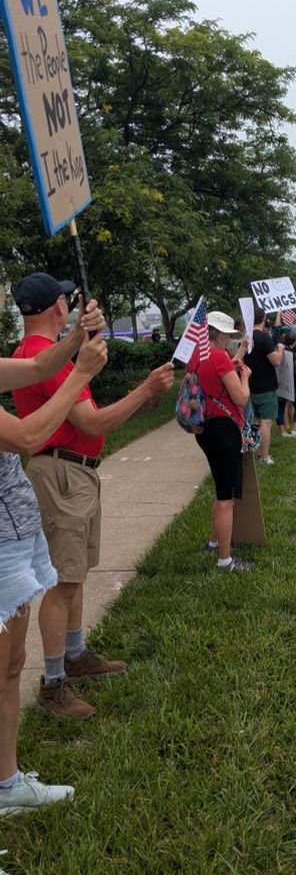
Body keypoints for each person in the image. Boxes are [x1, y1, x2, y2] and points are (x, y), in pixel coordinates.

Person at [11, 272, 174, 720]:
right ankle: (53, 683)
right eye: (66, 301)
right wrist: (145, 390)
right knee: (62, 583)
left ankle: (76, 654)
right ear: (58, 307)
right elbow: (92, 422)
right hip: (62, 474)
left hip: (71, 472)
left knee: (74, 575)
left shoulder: (37, 353)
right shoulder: (46, 358)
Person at [0, 296, 107, 818]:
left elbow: (40, 364)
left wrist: (77, 337)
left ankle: (7, 784)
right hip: (2, 548)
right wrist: (80, 372)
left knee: (11, 668)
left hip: (13, 540)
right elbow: (26, 437)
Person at [187, 311, 252, 571]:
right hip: (225, 429)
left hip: (204, 427)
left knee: (220, 485)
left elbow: (211, 378)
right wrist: (244, 377)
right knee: (227, 497)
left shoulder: (196, 356)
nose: (229, 341)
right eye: (228, 336)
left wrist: (234, 363)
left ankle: (214, 542)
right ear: (221, 335)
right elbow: (241, 398)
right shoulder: (219, 357)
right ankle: (225, 560)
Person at [244, 307, 284, 465]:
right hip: (266, 387)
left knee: (259, 421)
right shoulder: (263, 338)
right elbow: (276, 361)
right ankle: (264, 457)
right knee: (266, 422)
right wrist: (280, 349)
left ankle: (259, 452)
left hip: (252, 386)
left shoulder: (247, 338)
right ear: (263, 318)